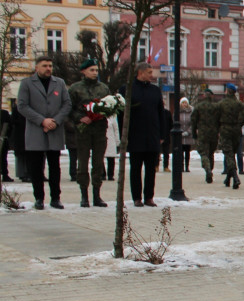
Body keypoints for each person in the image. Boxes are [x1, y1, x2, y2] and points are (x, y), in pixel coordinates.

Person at [18, 56, 71, 210]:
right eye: (45, 66)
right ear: (37, 68)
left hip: (54, 130)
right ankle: (39, 198)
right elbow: (22, 106)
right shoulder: (27, 83)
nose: (48, 68)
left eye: (50, 66)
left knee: (54, 166)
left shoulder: (59, 83)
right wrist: (42, 121)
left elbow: (67, 104)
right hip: (36, 130)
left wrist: (55, 121)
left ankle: (56, 198)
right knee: (36, 167)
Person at [120, 63, 165, 207]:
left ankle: (149, 197)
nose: (152, 75)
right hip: (135, 135)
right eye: (149, 72)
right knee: (135, 169)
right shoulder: (127, 89)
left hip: (152, 135)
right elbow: (122, 114)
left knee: (151, 169)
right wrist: (123, 134)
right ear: (140, 72)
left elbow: (161, 113)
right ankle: (137, 198)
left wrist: (162, 133)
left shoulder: (155, 90)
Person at [68, 58, 110, 208]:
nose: (95, 73)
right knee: (83, 163)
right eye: (91, 70)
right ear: (83, 71)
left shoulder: (103, 88)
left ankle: (97, 195)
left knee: (98, 163)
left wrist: (103, 113)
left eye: (96, 70)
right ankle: (84, 195)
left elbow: (109, 105)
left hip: (99, 129)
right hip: (83, 130)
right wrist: (79, 118)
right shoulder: (75, 88)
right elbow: (68, 108)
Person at [218, 83, 244, 190]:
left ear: (227, 91)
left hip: (225, 130)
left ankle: (235, 177)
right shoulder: (239, 104)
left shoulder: (221, 104)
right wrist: (239, 124)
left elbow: (216, 117)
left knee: (229, 155)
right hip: (237, 131)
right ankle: (228, 179)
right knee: (232, 153)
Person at [192, 89, 219, 183]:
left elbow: (193, 121)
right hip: (214, 133)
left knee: (203, 153)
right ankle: (210, 169)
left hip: (203, 133)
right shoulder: (216, 107)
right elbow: (220, 120)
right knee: (211, 153)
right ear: (212, 96)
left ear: (204, 96)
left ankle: (207, 169)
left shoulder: (199, 107)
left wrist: (194, 133)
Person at [179, 97, 193, 173]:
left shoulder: (191, 112)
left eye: (185, 103)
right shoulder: (177, 112)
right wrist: (180, 132)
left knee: (187, 152)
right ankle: (181, 167)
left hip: (188, 136)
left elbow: (192, 123)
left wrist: (188, 132)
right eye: (183, 103)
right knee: (180, 153)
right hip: (180, 136)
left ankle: (187, 167)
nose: (184, 104)